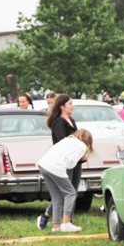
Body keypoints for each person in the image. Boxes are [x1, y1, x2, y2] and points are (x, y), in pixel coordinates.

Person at [37, 129, 94, 233]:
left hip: (44, 165)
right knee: (70, 193)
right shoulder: (82, 147)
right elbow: (71, 162)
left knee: (57, 197)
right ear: (88, 141)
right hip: (56, 168)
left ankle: (56, 227)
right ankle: (66, 223)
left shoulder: (68, 140)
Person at [38, 94, 80, 229]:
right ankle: (60, 221)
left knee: (72, 191)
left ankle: (65, 220)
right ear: (62, 106)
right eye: (70, 104)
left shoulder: (71, 121)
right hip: (63, 161)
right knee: (66, 192)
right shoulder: (59, 122)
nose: (73, 106)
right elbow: (63, 142)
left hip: (75, 160)